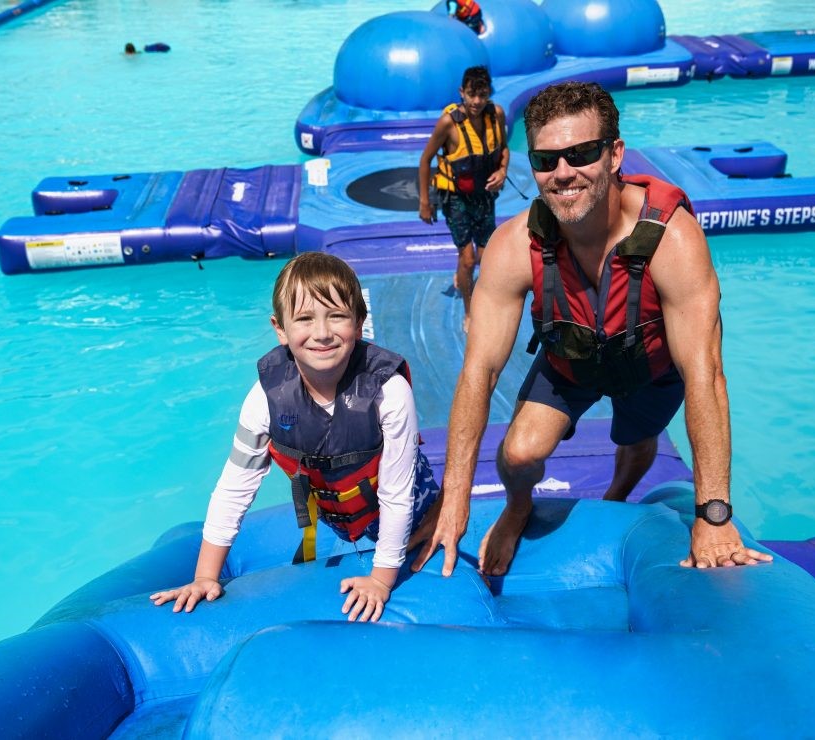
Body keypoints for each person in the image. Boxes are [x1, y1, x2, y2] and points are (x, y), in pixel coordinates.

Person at [411, 81, 772, 577]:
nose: (563, 173)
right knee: (518, 454)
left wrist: (713, 514)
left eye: (580, 153)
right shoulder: (515, 245)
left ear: (614, 154)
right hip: (572, 360)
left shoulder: (672, 238)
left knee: (637, 438)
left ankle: (617, 495)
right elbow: (480, 370)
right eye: (545, 160)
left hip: (651, 365)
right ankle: (519, 507)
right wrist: (455, 498)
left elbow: (705, 376)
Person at [151, 253, 439, 622]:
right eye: (304, 319)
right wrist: (205, 577)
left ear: (360, 321)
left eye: (336, 316)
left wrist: (381, 581)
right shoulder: (264, 399)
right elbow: (235, 488)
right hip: (345, 520)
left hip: (414, 513)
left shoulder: (388, 391)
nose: (322, 333)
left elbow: (397, 495)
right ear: (280, 329)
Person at [418, 65, 509, 333]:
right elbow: (425, 160)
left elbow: (502, 149)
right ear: (462, 92)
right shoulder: (449, 123)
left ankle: (461, 275)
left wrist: (502, 171)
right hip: (455, 197)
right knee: (468, 259)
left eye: (482, 95)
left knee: (483, 255)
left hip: (484, 195)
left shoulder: (497, 115)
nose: (477, 102)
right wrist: (425, 202)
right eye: (472, 95)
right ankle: (470, 312)